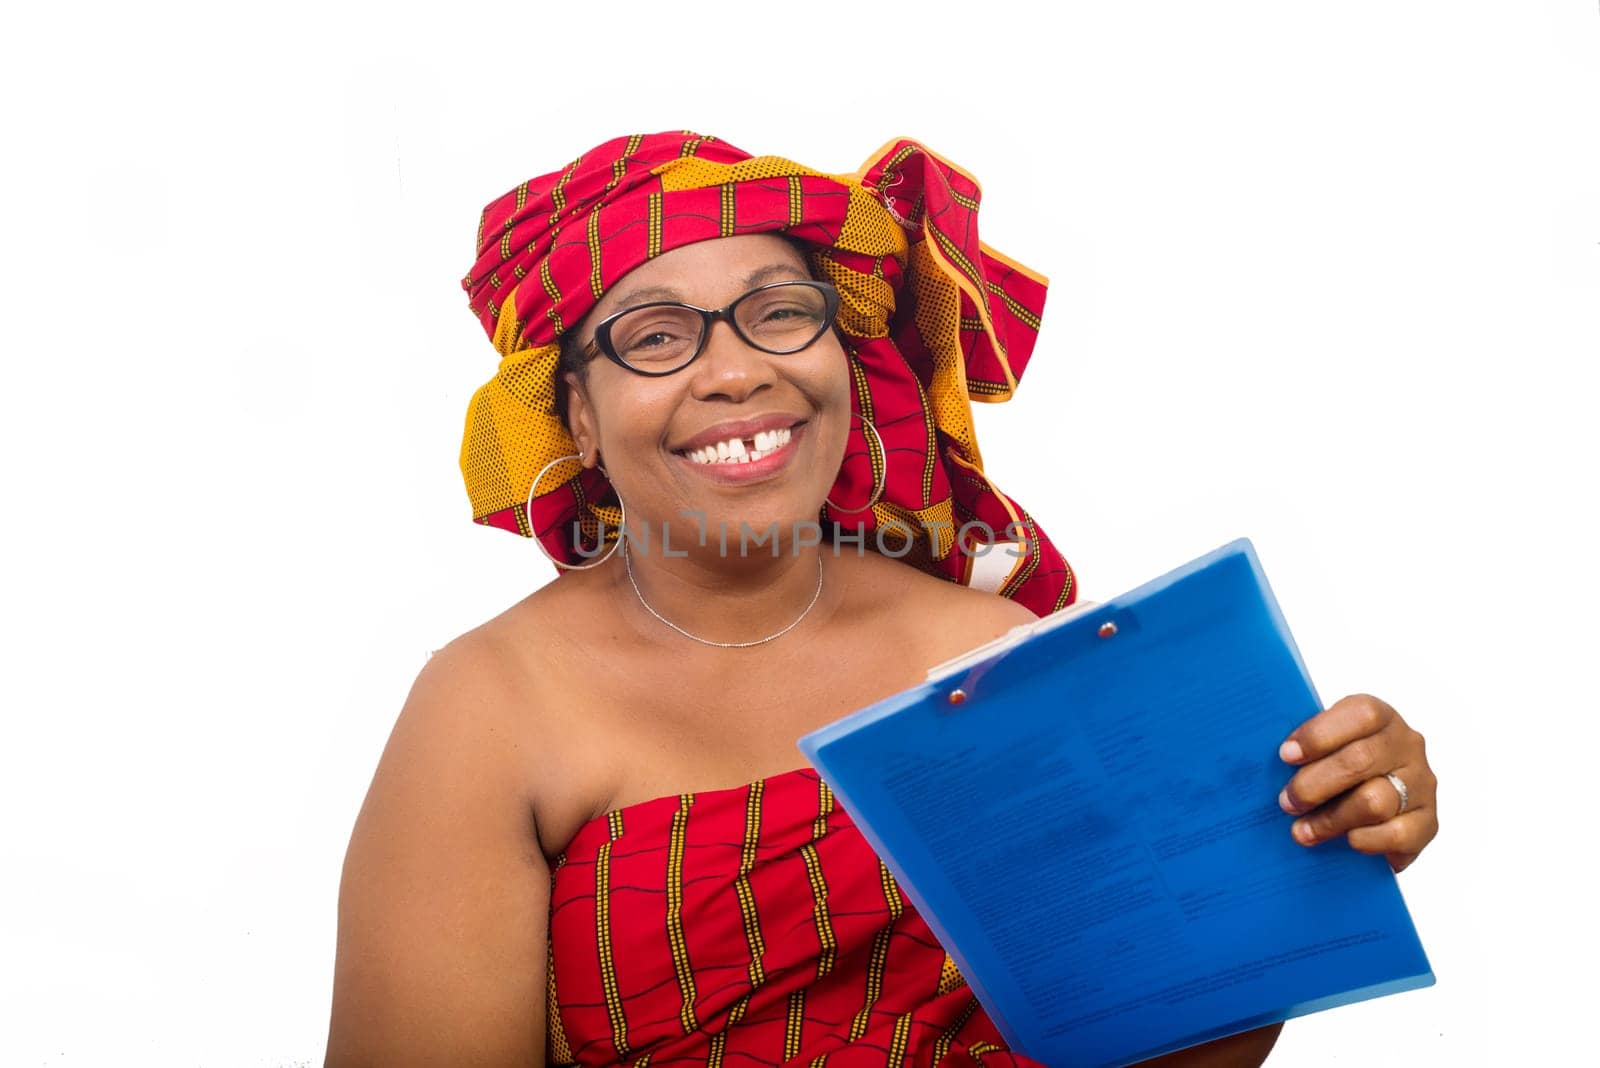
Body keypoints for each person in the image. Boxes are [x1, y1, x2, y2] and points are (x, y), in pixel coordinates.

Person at [326, 133, 1439, 1067]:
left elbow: (1152, 1042)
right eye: (657, 337)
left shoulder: (991, 652)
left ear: (845, 365)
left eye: (778, 314)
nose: (733, 371)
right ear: (574, 418)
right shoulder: (494, 705)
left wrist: (1308, 844)